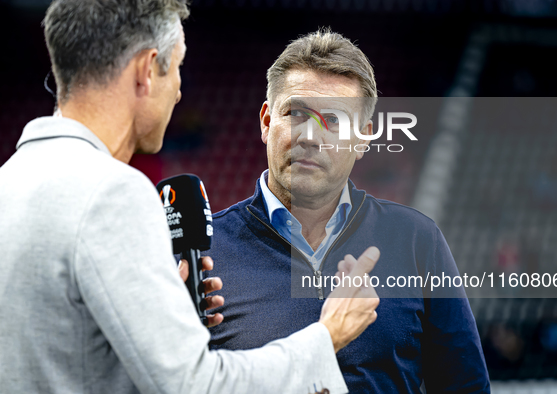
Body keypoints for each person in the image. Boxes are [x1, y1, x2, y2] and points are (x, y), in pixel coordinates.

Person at [0, 3, 381, 393]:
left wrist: (162, 320)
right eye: (178, 67)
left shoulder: (10, 181)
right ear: (147, 70)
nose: (180, 91)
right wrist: (327, 337)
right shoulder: (113, 193)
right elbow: (196, 386)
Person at [204, 29, 491, 393]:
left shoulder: (417, 240)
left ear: (363, 139)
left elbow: (465, 387)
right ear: (265, 122)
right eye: (295, 113)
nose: (310, 135)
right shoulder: (205, 254)